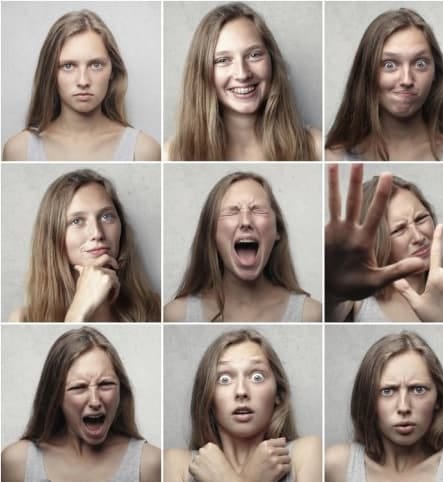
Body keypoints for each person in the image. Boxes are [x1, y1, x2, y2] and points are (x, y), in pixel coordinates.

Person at [325, 164, 443, 322]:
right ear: (375, 242)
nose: (418, 237)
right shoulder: (355, 303)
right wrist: (333, 290)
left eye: (421, 218)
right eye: (399, 229)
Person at [1, 327, 161, 481]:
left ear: (122, 390)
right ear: (55, 396)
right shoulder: (17, 463)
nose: (95, 401)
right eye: (79, 387)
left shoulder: (149, 464)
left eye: (105, 384)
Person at [166, 2, 321, 161]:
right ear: (202, 71)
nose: (242, 74)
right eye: (223, 60)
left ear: (272, 61)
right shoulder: (171, 155)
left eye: (254, 55)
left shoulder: (316, 147)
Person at [325, 8, 443, 161]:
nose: (407, 80)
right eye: (389, 65)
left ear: (436, 73)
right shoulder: (333, 157)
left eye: (420, 64)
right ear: (367, 73)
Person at [2, 9, 160, 161]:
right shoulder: (19, 150)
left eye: (96, 65)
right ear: (50, 72)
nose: (83, 81)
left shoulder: (144, 150)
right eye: (68, 66)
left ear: (113, 71)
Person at [164, 329, 321, 482]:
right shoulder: (178, 465)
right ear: (207, 396)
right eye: (224, 379)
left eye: (257, 377)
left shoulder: (305, 454)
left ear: (278, 394)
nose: (241, 391)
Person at [325, 331, 443, 482]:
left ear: (439, 399)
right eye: (387, 391)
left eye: (418, 389)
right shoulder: (337, 466)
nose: (403, 407)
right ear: (367, 400)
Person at [164, 171, 321, 322]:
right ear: (211, 233)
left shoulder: (311, 315)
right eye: (232, 211)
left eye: (257, 209)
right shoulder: (175, 315)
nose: (246, 222)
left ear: (277, 230)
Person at [9, 169, 160, 322]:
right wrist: (78, 311)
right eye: (77, 221)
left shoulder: (155, 309)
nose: (97, 233)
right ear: (53, 234)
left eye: (107, 216)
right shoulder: (25, 319)